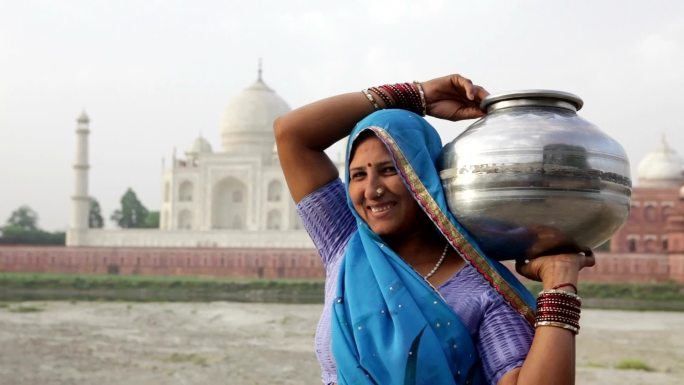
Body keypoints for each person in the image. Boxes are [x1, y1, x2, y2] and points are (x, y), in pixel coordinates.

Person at [273, 74, 595, 385]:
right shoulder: (345, 244)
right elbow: (291, 134)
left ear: (423, 174)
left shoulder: (481, 292)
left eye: (389, 170)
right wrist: (417, 95)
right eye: (357, 175)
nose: (372, 190)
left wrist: (560, 284)